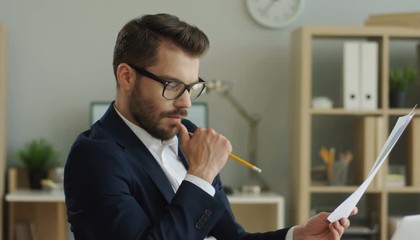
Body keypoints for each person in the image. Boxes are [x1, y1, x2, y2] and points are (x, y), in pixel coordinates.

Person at [64, 13, 357, 240]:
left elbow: (231, 237)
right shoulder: (94, 156)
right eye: (173, 85)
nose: (186, 103)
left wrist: (296, 235)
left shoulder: (188, 136)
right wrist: (201, 174)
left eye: (191, 87)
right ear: (127, 77)